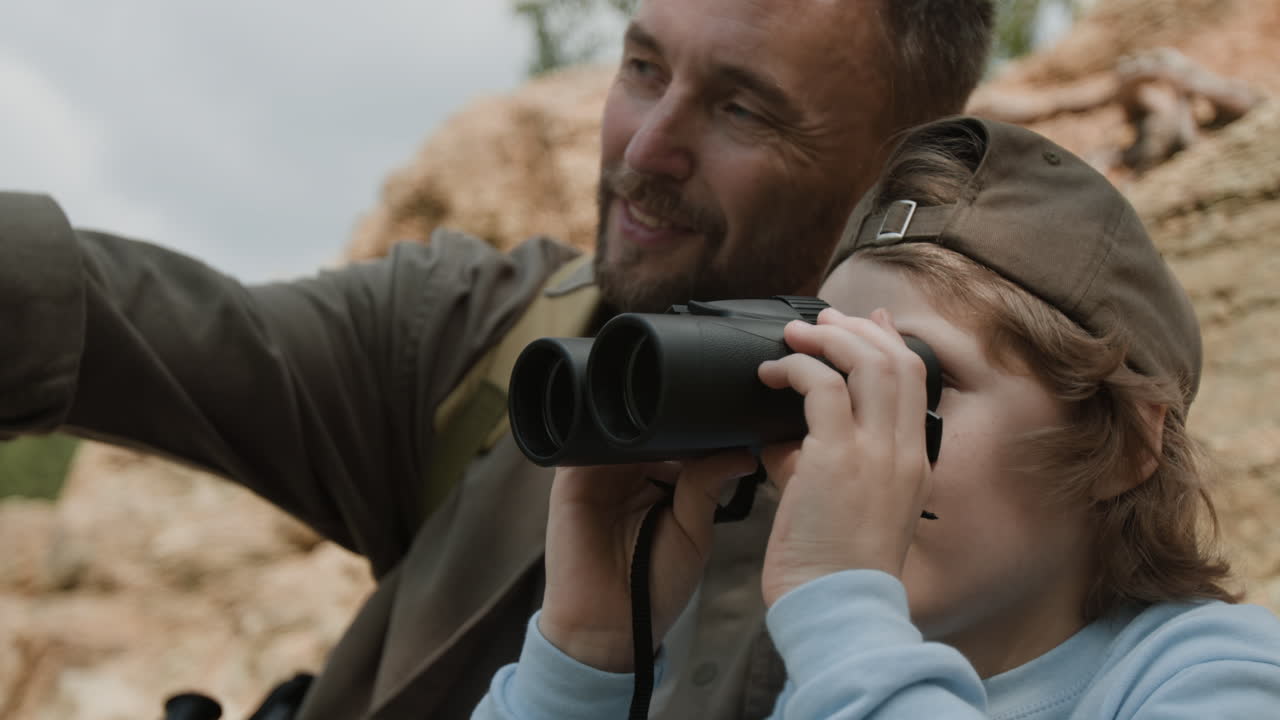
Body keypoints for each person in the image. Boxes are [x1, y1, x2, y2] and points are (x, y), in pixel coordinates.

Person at [0, 1, 996, 717]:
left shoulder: (1009, 481)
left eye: (740, 110)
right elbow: (104, 319)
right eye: (642, 67)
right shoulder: (479, 340)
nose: (644, 149)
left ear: (902, 167)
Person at [471, 116, 1280, 719]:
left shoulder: (1218, 677)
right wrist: (583, 658)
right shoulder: (832, 681)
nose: (846, 435)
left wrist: (840, 608)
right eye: (827, 375)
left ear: (1123, 447)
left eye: (913, 383)